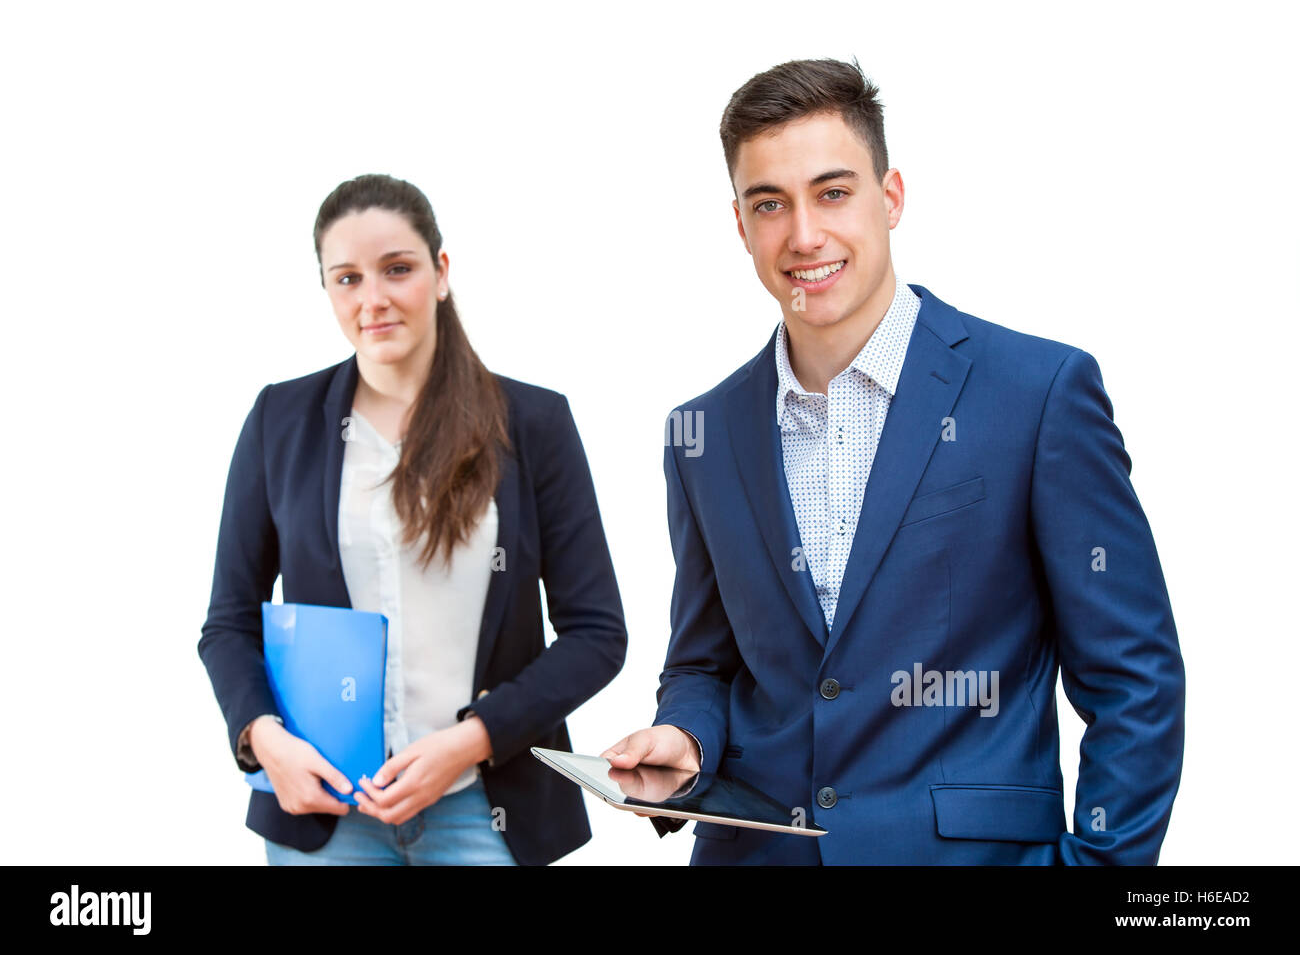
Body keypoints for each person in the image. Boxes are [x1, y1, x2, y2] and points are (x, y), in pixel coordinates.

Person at [602, 58, 1185, 865]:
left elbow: (1137, 681)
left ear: (892, 196)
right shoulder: (701, 432)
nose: (804, 235)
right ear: (740, 225)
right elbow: (704, 662)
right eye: (770, 204)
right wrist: (687, 737)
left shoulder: (1038, 393)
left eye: (833, 192)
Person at [199, 173, 627, 865]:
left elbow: (598, 634)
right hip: (325, 814)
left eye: (396, 269)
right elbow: (228, 618)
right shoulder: (280, 422)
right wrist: (261, 738)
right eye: (347, 278)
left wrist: (474, 737)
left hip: (485, 810)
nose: (373, 299)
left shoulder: (535, 423)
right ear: (328, 290)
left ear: (441, 271)